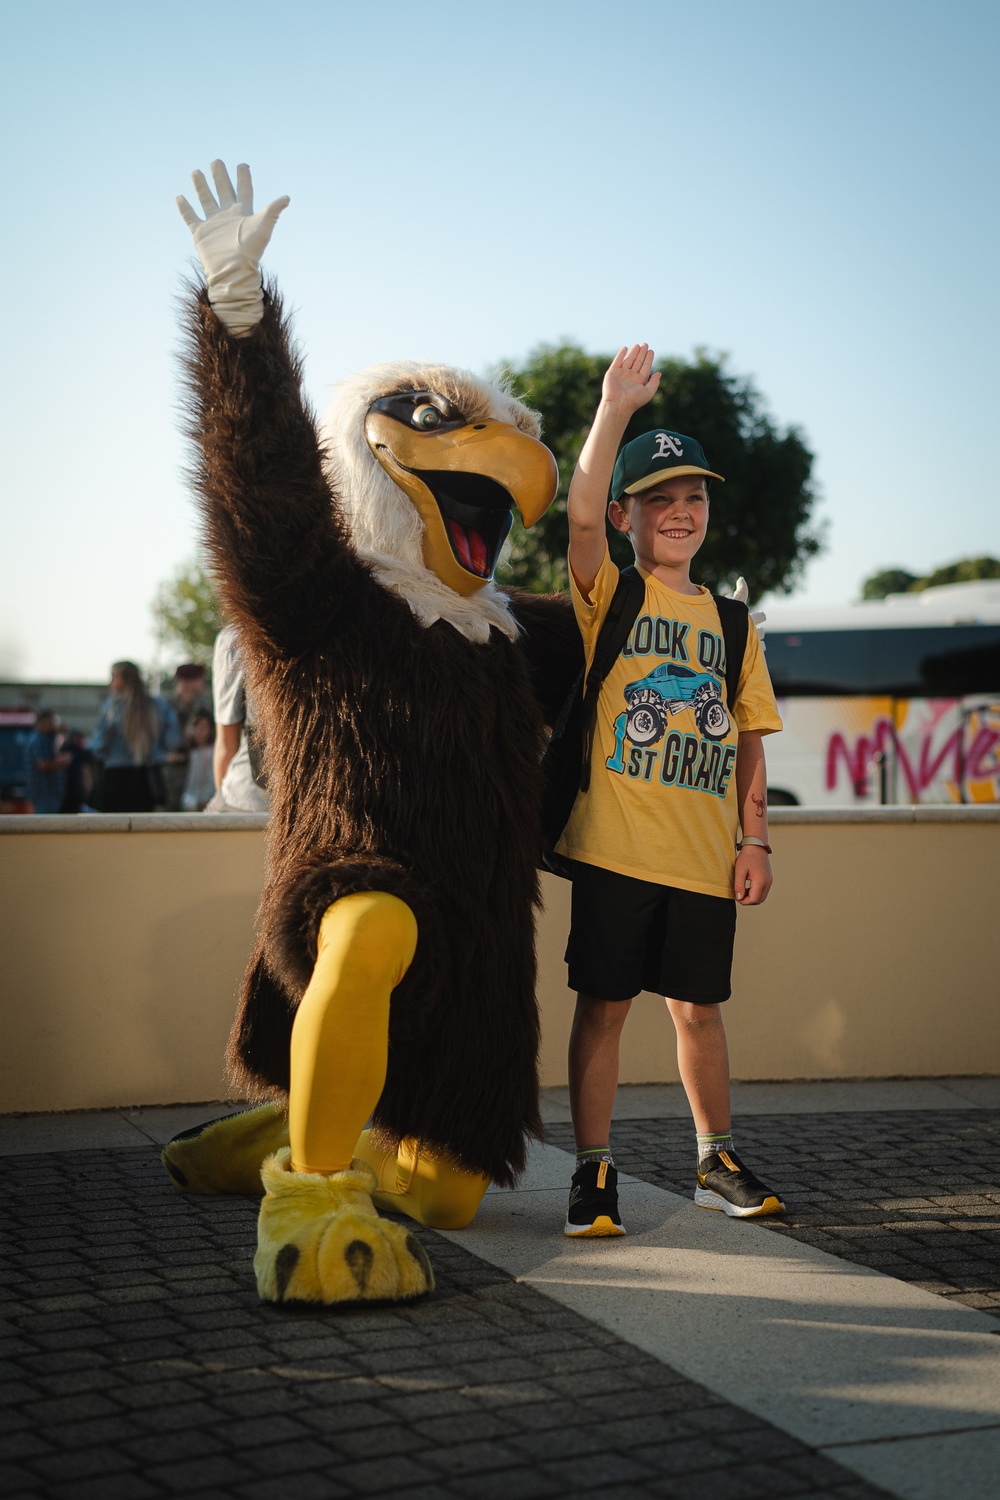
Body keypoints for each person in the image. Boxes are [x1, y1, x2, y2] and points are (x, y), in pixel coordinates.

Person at [558, 344, 785, 1237]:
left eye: (694, 498)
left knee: (701, 1012)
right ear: (626, 515)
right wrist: (614, 409)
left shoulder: (733, 624)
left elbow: (749, 747)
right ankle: (593, 1171)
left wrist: (756, 840)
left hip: (703, 857)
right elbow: (575, 516)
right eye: (661, 499)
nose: (683, 512)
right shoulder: (607, 593)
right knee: (604, 1011)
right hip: (615, 849)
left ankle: (713, 1160)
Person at [90, 661, 180, 812]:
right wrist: (159, 752)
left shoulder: (112, 707)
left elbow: (100, 745)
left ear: (124, 680)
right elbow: (173, 739)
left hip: (114, 775)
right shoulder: (157, 705)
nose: (110, 682)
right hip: (145, 778)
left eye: (113, 677)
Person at [204, 624, 270, 814]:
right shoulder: (351, 626)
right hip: (328, 803)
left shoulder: (237, 636)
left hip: (250, 797)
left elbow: (226, 743)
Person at [163, 663, 211, 810]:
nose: (202, 682)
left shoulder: (203, 708)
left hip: (197, 773)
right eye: (198, 678)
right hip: (170, 775)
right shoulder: (165, 708)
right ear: (186, 681)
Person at [26, 711, 71, 814]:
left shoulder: (46, 739)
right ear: (42, 722)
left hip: (49, 793)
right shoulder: (38, 740)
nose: (53, 725)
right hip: (45, 793)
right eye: (50, 722)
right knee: (45, 826)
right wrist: (62, 763)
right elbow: (43, 764)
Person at [181, 708, 216, 810]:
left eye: (204, 727)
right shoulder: (189, 754)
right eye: (196, 727)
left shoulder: (211, 753)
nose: (200, 732)